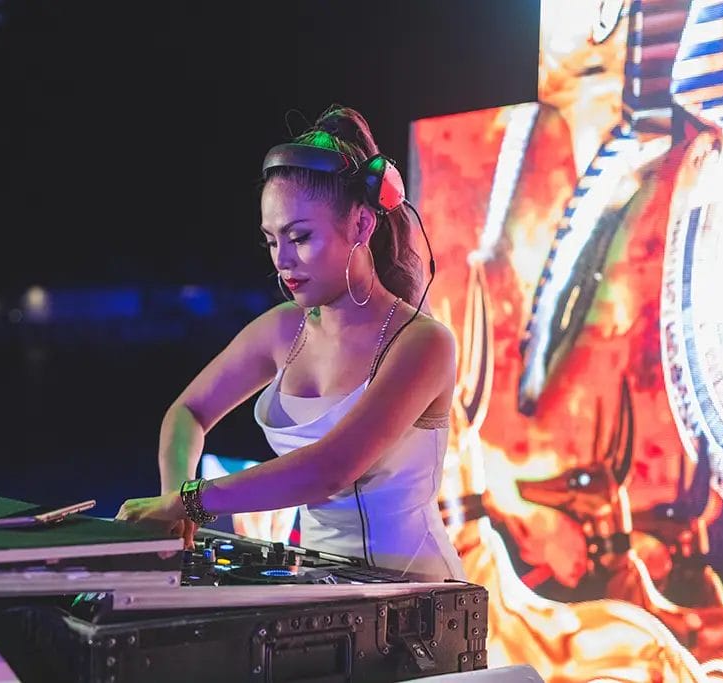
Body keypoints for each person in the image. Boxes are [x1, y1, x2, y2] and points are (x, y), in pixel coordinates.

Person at [116, 104, 466, 581]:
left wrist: (190, 500)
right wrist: (174, 502)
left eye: (299, 237)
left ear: (362, 225)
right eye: (271, 241)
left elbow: (330, 469)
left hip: (418, 594)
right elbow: (188, 413)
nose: (283, 260)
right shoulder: (284, 329)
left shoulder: (422, 343)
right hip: (319, 586)